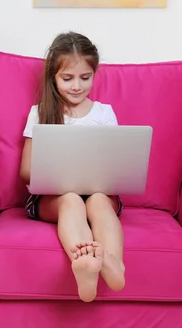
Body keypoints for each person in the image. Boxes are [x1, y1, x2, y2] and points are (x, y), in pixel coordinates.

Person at [19, 31, 125, 303]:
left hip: (99, 192)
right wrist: (60, 175)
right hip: (52, 197)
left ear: (94, 73)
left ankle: (113, 264)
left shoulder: (104, 113)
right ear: (53, 77)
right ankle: (86, 263)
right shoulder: (40, 112)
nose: (77, 86)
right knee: (71, 200)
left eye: (85, 77)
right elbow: (26, 170)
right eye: (67, 78)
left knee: (99, 200)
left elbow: (116, 165)